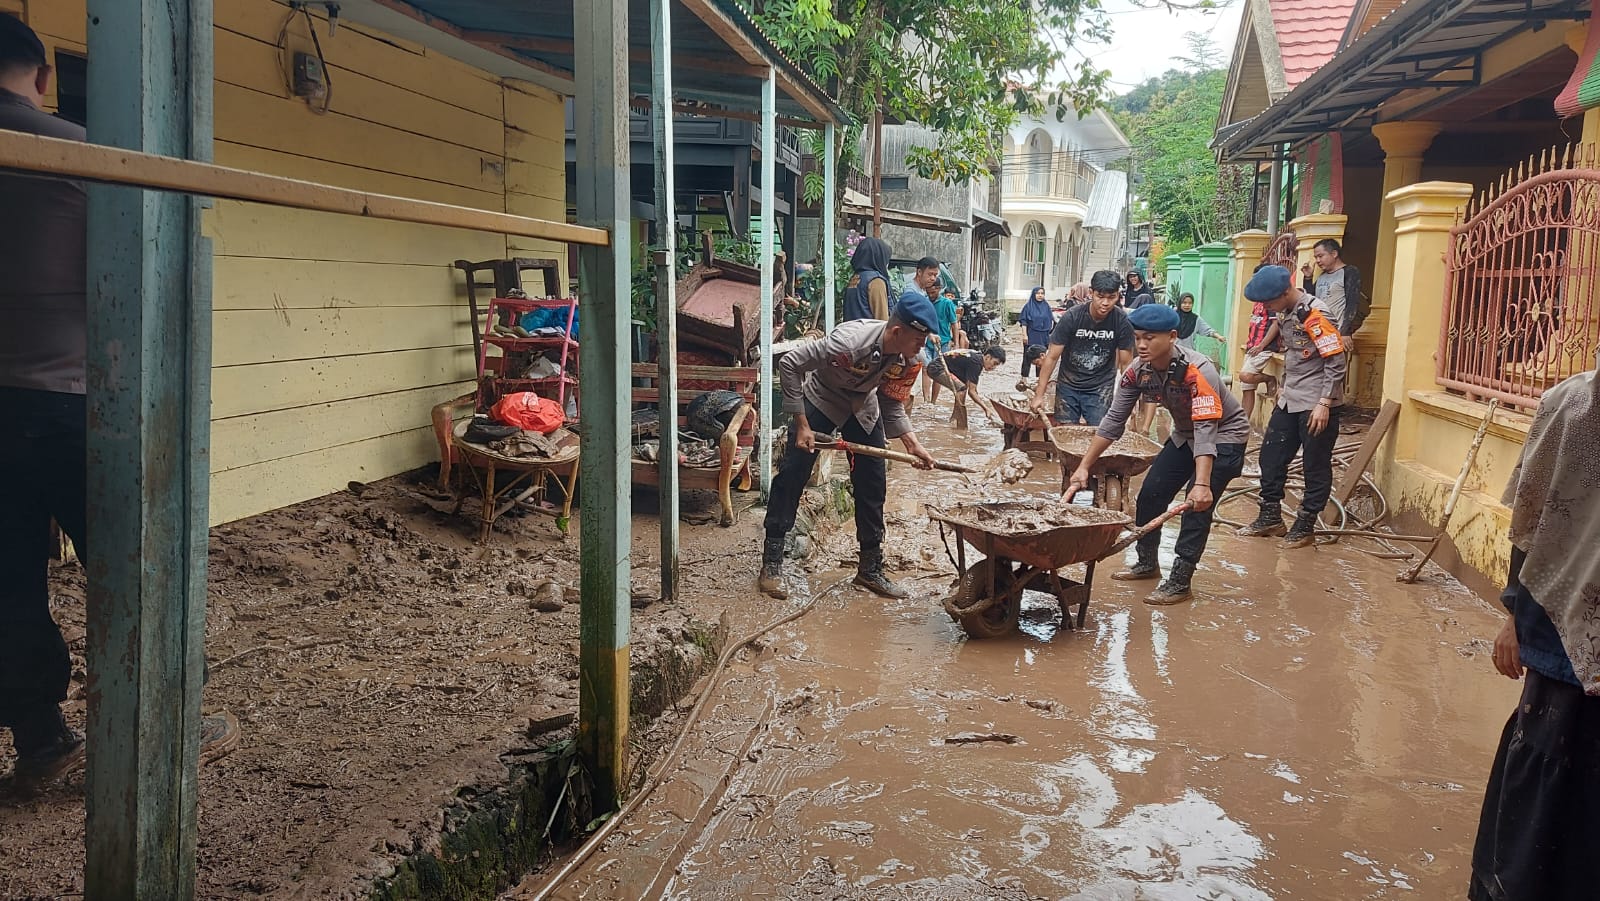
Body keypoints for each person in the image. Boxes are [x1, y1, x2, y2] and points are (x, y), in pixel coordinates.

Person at [0, 16, 237, 790]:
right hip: (74, 401)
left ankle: (41, 740)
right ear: (42, 76)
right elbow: (141, 275)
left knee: (5, 580)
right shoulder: (80, 156)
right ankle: (162, 722)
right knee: (134, 561)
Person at [1471, 361, 1600, 901]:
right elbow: (1532, 519)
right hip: (1557, 633)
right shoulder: (1571, 405)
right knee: (1543, 789)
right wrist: (1513, 614)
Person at [1063, 304, 1249, 604]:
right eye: (1137, 338)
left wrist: (1202, 485)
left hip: (1224, 436)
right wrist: (1084, 466)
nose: (1141, 345)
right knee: (1151, 494)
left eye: (1149, 338)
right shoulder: (1139, 371)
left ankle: (1180, 581)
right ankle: (1147, 563)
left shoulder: (1198, 371)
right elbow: (1113, 421)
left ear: (1172, 336)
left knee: (1195, 507)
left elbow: (1206, 430)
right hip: (1184, 435)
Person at [759, 296, 940, 601]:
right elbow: (790, 364)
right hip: (823, 397)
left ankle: (870, 569)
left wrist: (913, 445)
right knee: (793, 473)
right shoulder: (847, 342)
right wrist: (801, 424)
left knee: (873, 482)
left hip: (863, 405)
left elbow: (892, 403)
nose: (922, 346)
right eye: (918, 339)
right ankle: (772, 562)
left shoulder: (910, 360)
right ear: (897, 332)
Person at [1236, 265, 1347, 548]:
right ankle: (1270, 517)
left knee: (1314, 464)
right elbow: (1295, 356)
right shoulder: (1285, 311)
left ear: (1286, 291)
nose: (1266, 307)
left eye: (1269, 301)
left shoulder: (1315, 314)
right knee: (1271, 457)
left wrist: (1325, 403)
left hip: (1317, 400)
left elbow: (1336, 361)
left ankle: (1305, 524)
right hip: (1291, 397)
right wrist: (1284, 388)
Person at [1028, 270, 1134, 427]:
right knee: (1065, 432)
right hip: (1068, 384)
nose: (1105, 303)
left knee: (1099, 432)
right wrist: (1039, 395)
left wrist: (1128, 402)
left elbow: (1126, 365)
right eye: (1100, 296)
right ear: (1091, 293)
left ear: (1118, 296)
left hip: (1101, 387)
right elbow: (1052, 357)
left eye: (1111, 297)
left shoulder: (1121, 321)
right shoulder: (1072, 317)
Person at [1301, 238, 1366, 345]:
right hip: (1319, 332)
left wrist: (1345, 332)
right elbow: (1310, 300)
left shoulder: (1349, 272)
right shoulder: (1321, 277)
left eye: (1320, 256)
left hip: (1337, 333)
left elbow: (1352, 303)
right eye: (1316, 257)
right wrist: (1308, 278)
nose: (1317, 261)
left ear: (1334, 254)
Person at [1236, 264, 1279, 423]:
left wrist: (1261, 345)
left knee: (1245, 376)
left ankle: (1269, 379)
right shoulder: (1257, 300)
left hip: (1264, 348)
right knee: (1247, 389)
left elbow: (1276, 324)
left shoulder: (1272, 300)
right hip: (1252, 346)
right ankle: (1243, 424)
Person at [923, 346, 1005, 428]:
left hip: (938, 365)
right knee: (962, 389)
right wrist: (986, 409)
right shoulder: (976, 363)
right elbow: (972, 392)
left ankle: (955, 419)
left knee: (962, 387)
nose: (994, 367)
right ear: (988, 357)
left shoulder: (977, 357)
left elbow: (972, 388)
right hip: (937, 368)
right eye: (994, 363)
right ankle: (958, 422)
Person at [923, 287, 962, 403]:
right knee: (925, 369)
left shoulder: (947, 304)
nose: (931, 295)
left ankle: (933, 401)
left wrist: (956, 344)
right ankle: (926, 401)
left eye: (933, 292)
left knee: (937, 372)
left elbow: (954, 324)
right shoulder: (925, 301)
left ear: (939, 289)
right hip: (927, 341)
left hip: (943, 342)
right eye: (928, 292)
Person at [842, 236, 892, 322]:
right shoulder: (876, 281)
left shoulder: (855, 278)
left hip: (852, 329)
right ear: (878, 258)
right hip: (870, 330)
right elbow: (882, 320)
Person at [1016, 286, 1054, 376]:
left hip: (1043, 336)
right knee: (1027, 357)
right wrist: (1025, 335)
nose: (1040, 295)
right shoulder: (1028, 306)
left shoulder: (1046, 306)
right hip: (1032, 335)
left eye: (1042, 293)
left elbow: (1051, 320)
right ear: (1033, 294)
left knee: (1041, 358)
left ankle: (1039, 378)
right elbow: (1024, 322)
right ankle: (1024, 378)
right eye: (1038, 293)